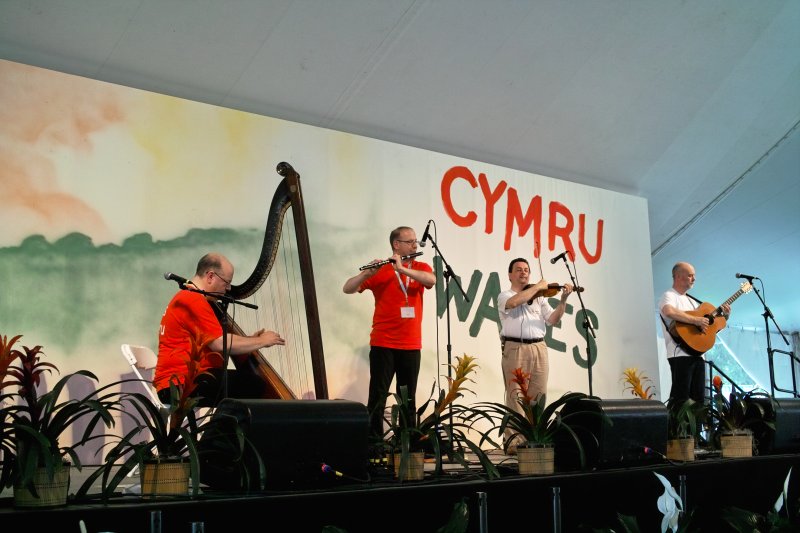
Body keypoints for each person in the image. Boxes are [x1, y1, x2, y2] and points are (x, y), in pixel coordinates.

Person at [154, 252, 286, 407]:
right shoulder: (193, 299)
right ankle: (219, 431)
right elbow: (219, 343)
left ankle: (222, 429)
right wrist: (261, 341)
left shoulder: (190, 297)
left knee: (248, 384)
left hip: (179, 381)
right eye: (226, 282)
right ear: (210, 276)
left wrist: (250, 340)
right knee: (254, 385)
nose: (228, 289)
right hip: (180, 383)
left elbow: (218, 339)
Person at [342, 226, 436, 439]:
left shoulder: (420, 266)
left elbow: (431, 280)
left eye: (415, 241)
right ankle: (375, 443)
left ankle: (406, 445)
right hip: (383, 343)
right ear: (396, 245)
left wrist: (402, 269)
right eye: (410, 241)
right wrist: (366, 273)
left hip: (411, 345)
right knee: (378, 395)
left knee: (408, 398)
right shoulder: (381, 270)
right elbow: (347, 288)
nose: (415, 245)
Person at [497, 257, 573, 453]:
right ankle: (514, 443)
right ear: (510, 275)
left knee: (538, 396)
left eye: (526, 270)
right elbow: (515, 303)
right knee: (516, 395)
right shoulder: (504, 295)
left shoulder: (539, 297)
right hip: (515, 348)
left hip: (539, 348)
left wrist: (563, 300)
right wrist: (539, 286)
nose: (524, 272)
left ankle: (534, 439)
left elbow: (552, 319)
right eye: (519, 270)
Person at [658, 261, 730, 403]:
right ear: (678, 277)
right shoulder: (669, 295)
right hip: (680, 354)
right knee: (681, 398)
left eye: (694, 276)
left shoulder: (692, 301)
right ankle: (676, 426)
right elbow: (669, 311)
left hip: (698, 355)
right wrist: (695, 321)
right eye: (690, 275)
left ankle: (696, 426)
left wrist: (725, 317)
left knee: (698, 401)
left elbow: (708, 329)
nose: (694, 279)